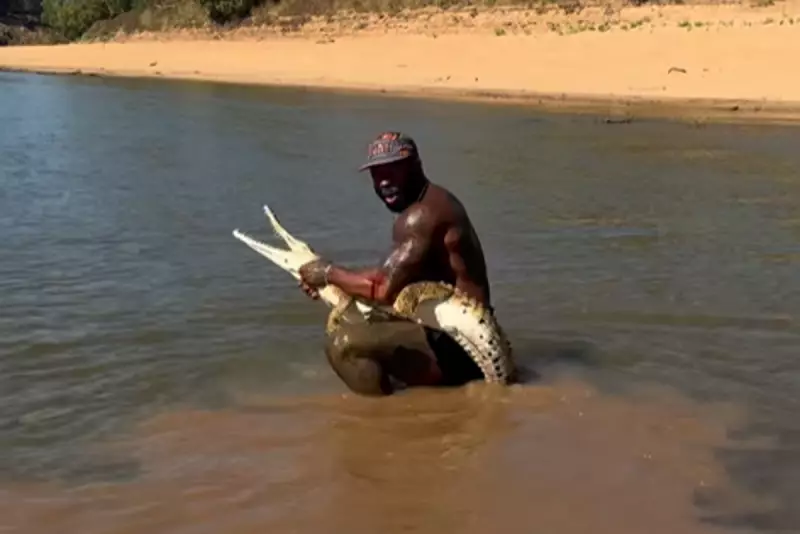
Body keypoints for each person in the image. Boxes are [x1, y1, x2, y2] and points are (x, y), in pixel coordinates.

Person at [298, 131, 492, 396]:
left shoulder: (421, 215)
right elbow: (392, 278)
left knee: (344, 344)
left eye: (393, 170)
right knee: (358, 322)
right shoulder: (432, 200)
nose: (384, 182)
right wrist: (329, 284)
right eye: (377, 173)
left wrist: (327, 273)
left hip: (462, 350)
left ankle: (386, 416)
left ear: (416, 166)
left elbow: (381, 289)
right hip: (451, 333)